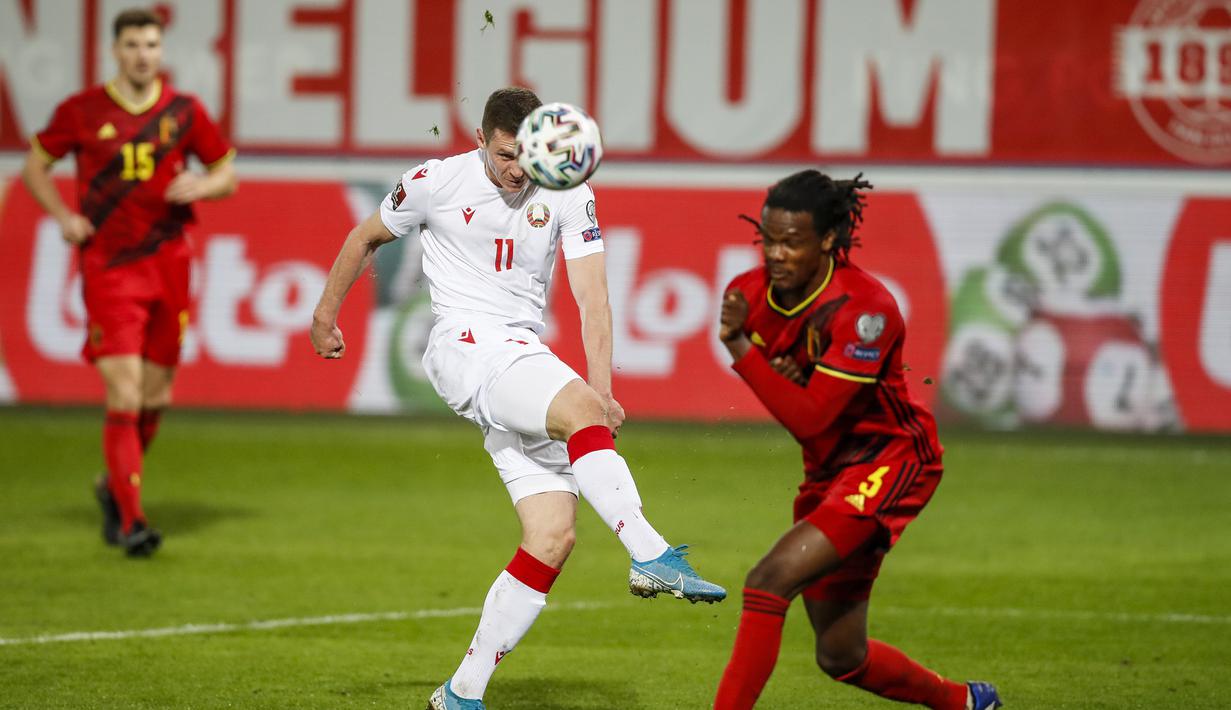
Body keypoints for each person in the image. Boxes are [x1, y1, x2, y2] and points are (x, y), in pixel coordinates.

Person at [310, 86, 725, 710]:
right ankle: (649, 553)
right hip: (463, 346)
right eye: (505, 155)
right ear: (480, 140)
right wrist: (324, 316)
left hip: (520, 354)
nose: (516, 169)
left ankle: (460, 693)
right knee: (579, 411)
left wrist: (604, 389)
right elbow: (364, 237)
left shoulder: (568, 188)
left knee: (552, 536)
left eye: (526, 155)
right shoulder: (435, 181)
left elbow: (592, 296)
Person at [711, 171, 1002, 710]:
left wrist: (741, 350)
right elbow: (803, 405)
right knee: (841, 655)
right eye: (768, 240)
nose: (776, 254)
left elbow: (813, 418)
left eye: (791, 242)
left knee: (768, 581)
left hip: (890, 459)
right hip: (827, 473)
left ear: (827, 239)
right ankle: (965, 702)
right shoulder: (748, 295)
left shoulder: (865, 310)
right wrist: (780, 369)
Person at [21, 7, 237, 557]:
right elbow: (35, 166)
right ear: (114, 51)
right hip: (110, 268)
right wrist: (63, 217)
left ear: (161, 51)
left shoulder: (184, 111)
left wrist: (203, 186)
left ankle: (112, 486)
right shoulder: (82, 111)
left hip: (170, 263)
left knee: (156, 396)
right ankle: (133, 521)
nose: (143, 55)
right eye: (133, 45)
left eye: (151, 45)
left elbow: (227, 174)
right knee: (124, 391)